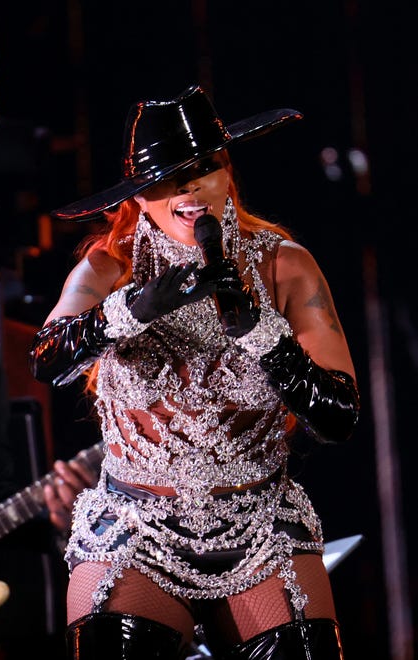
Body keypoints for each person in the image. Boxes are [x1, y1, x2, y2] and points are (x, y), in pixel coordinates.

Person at [29, 84, 360, 660]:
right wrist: (135, 306)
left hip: (260, 528)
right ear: (141, 197)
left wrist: (260, 333)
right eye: (165, 179)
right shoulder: (108, 266)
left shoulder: (285, 265)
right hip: (136, 532)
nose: (187, 188)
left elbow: (338, 417)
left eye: (203, 169)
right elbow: (48, 359)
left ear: (226, 173)